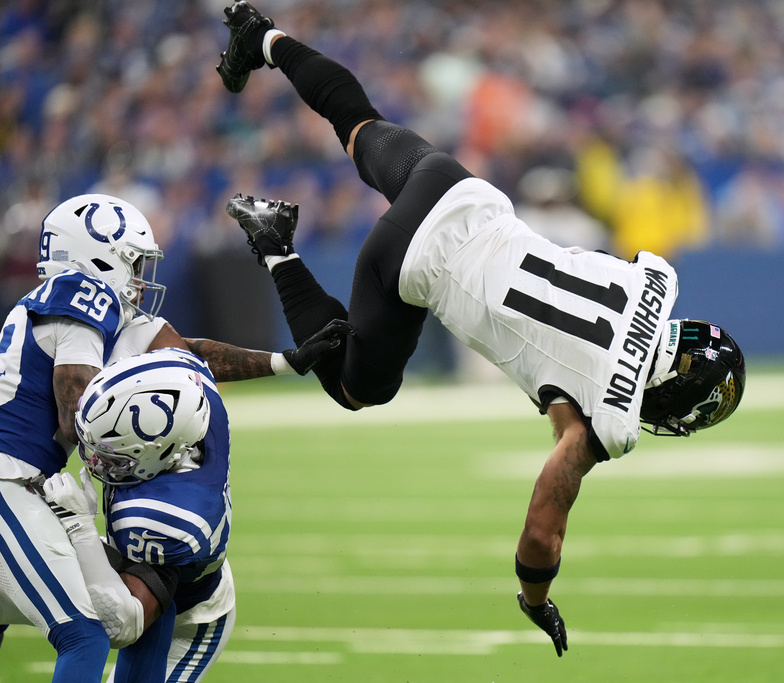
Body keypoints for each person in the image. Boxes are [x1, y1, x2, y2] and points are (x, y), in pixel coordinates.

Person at [216, 1, 745, 657]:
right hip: (415, 262)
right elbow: (541, 531)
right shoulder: (602, 422)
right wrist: (535, 595)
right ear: (675, 396)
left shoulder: (654, 280)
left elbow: (589, 295)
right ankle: (276, 246)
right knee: (358, 388)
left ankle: (261, 37)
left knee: (356, 122)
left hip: (457, 192)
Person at [0, 192, 345, 681]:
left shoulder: (99, 317)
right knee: (84, 632)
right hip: (11, 481)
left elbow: (188, 356)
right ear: (97, 258)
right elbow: (74, 407)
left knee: (127, 589)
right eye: (133, 262)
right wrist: (135, 436)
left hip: (28, 483)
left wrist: (284, 362)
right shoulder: (81, 294)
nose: (141, 276)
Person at [42, 348, 235, 683]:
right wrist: (282, 362)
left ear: (159, 452)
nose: (94, 463)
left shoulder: (166, 519)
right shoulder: (191, 392)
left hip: (188, 619)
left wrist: (80, 526)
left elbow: (121, 626)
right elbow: (187, 352)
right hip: (144, 568)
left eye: (113, 457)